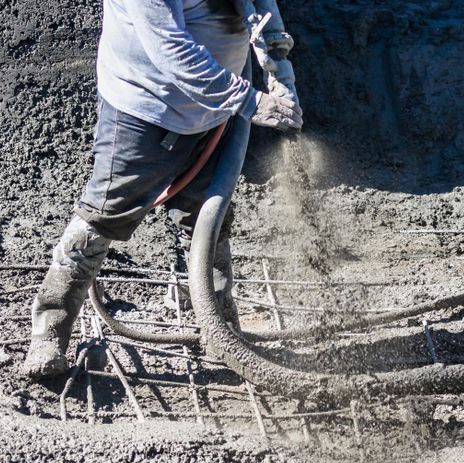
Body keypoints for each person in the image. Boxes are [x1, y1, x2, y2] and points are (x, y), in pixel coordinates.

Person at [22, 0, 302, 380]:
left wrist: (280, 67)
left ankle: (218, 323)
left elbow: (261, 5)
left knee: (210, 215)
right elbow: (171, 48)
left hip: (217, 108)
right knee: (103, 217)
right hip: (147, 110)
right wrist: (250, 101)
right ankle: (50, 329)